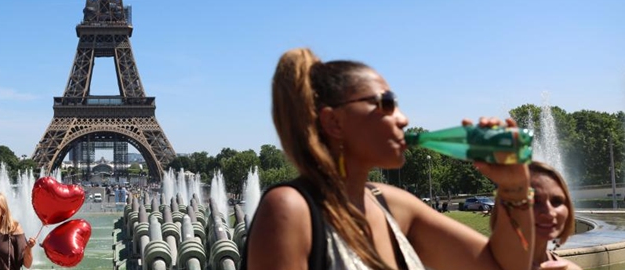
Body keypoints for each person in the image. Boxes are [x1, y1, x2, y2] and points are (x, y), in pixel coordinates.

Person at [243, 48, 535, 270]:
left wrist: (514, 187)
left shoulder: (392, 204)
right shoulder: (290, 210)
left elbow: (503, 266)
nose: (404, 119)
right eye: (386, 104)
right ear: (334, 122)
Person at [491, 161, 581, 270]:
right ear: (506, 205)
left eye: (557, 201)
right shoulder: (480, 263)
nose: (549, 213)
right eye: (534, 201)